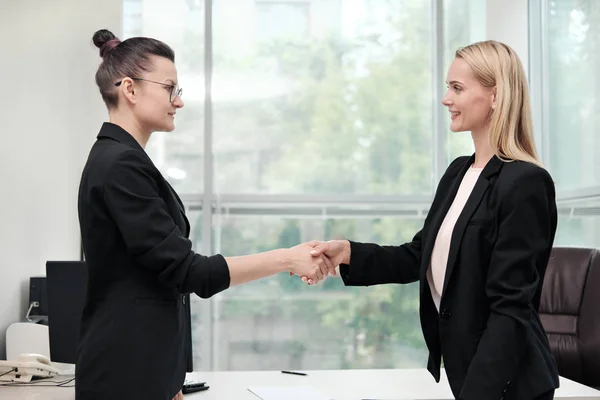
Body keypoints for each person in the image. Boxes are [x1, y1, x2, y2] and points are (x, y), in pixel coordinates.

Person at [77, 29, 334, 400]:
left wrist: (168, 377)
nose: (178, 102)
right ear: (130, 90)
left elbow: (152, 278)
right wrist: (287, 259)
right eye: (170, 88)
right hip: (123, 371)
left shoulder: (124, 160)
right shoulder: (119, 166)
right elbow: (188, 271)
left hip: (143, 369)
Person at [307, 40, 559, 400]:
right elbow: (419, 255)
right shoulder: (459, 173)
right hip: (469, 372)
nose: (446, 99)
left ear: (495, 96)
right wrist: (347, 252)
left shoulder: (525, 182)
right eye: (448, 87)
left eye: (457, 88)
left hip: (507, 384)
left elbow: (511, 308)